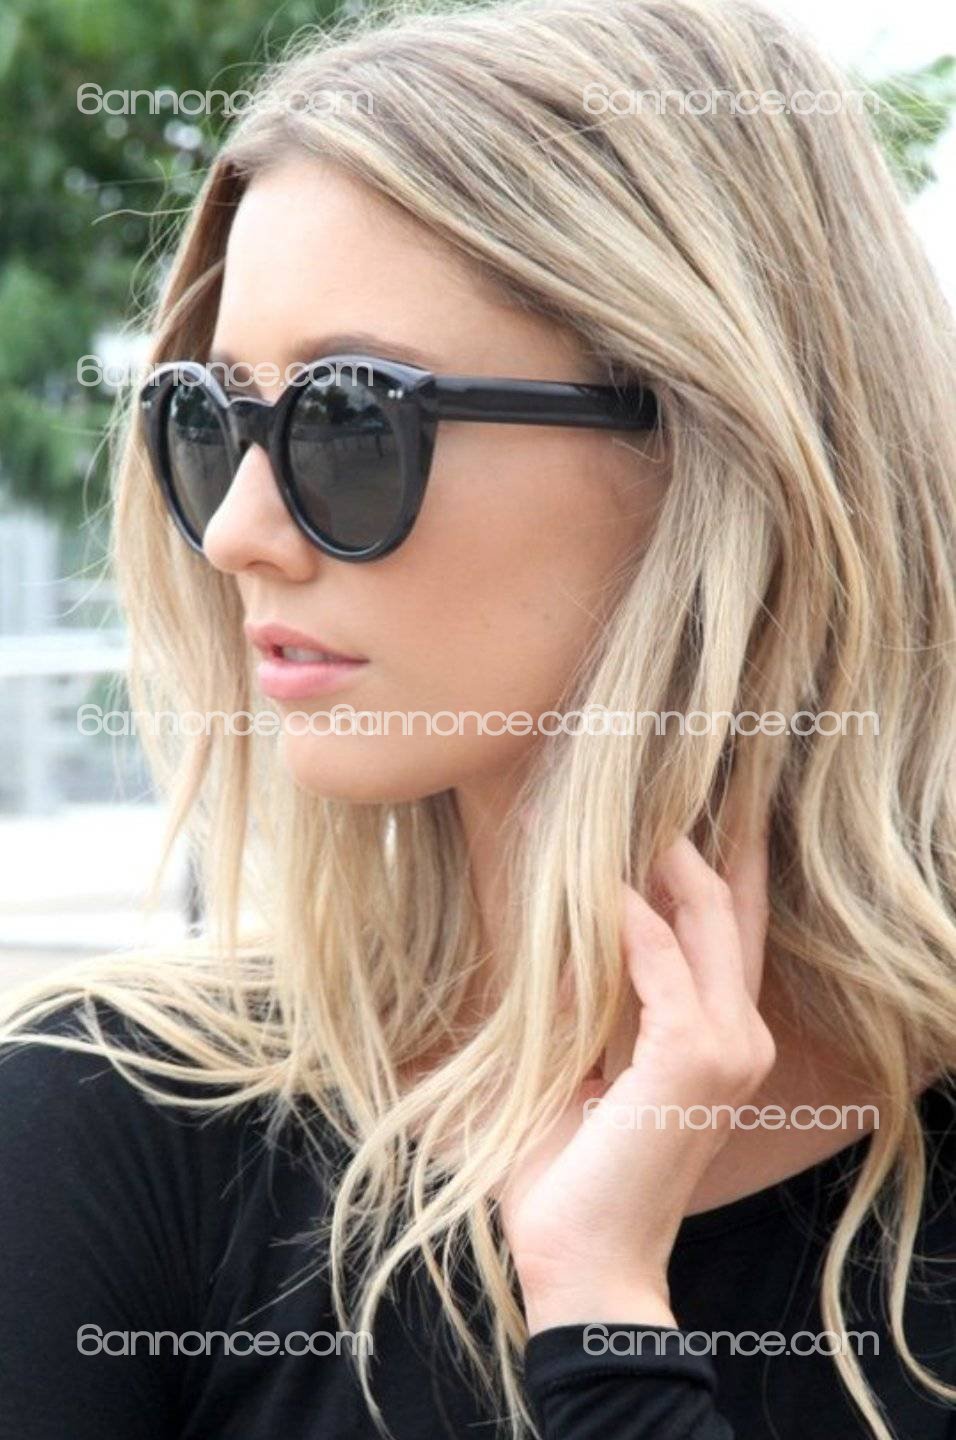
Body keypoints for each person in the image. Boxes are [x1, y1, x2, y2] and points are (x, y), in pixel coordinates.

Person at [2, 1, 954, 1437]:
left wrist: (602, 1312)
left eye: (348, 420)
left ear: (712, 445)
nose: (238, 531)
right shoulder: (111, 1124)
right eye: (209, 418)